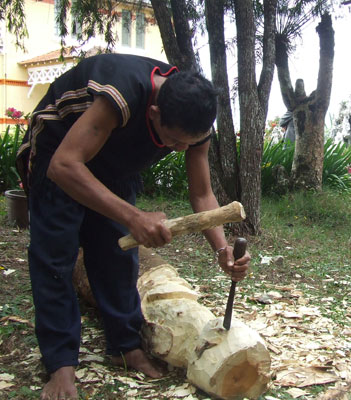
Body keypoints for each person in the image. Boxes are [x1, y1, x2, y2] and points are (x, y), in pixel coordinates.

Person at [15, 53, 251, 400]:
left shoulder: (195, 118)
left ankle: (124, 344)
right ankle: (60, 363)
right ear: (154, 114)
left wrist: (222, 250)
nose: (180, 149)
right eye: (173, 143)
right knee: (55, 257)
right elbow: (65, 165)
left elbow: (202, 193)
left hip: (114, 164)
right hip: (60, 152)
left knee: (117, 256)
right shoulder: (122, 93)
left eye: (189, 143)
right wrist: (133, 217)